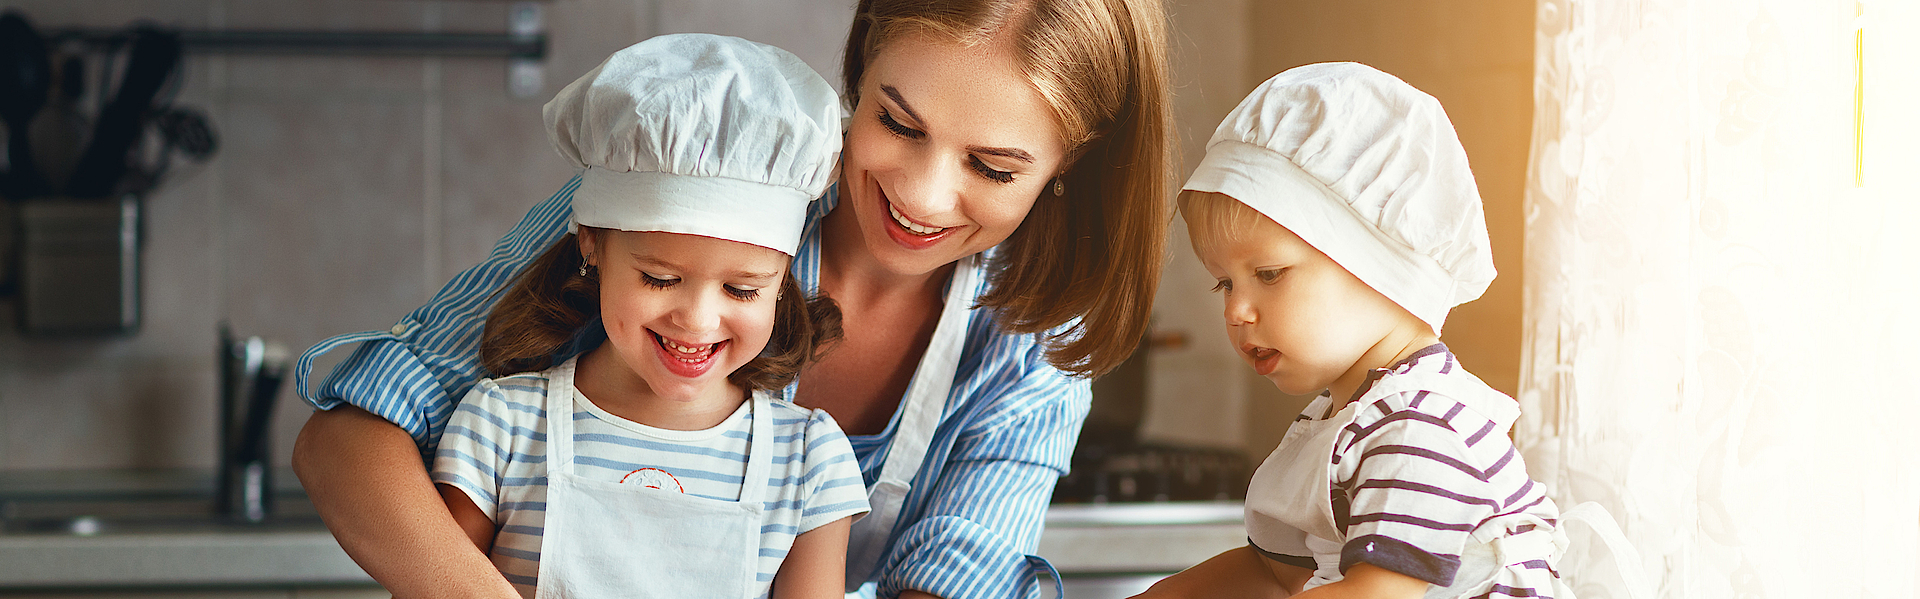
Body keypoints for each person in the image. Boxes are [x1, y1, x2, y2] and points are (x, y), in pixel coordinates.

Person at [289, 1, 1175, 598]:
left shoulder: (1034, 342)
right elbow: (351, 439)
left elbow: (953, 581)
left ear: (1068, 168)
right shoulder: (688, 184)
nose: (922, 193)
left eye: (992, 167)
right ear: (858, 72)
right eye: (897, 123)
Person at [425, 34, 868, 599]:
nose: (698, 319)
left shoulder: (806, 461)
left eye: (742, 288)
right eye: (660, 279)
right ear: (592, 246)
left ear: (781, 280)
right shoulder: (503, 427)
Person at [1136, 63, 1575, 598]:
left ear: (1377, 265)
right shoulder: (1348, 420)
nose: (1235, 311)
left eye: (1268, 274)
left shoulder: (1422, 426)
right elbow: (1275, 572)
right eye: (1224, 284)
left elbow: (1376, 594)